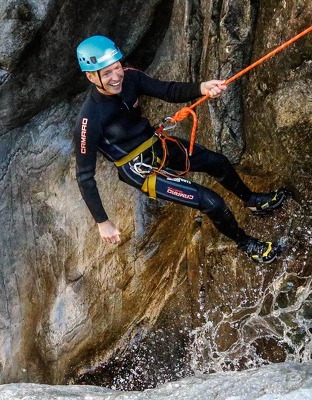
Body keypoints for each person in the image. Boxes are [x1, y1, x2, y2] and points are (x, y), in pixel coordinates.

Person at [73, 35, 287, 263]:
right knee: (212, 202)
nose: (116, 77)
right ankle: (248, 245)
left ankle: (252, 200)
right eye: (106, 73)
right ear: (91, 77)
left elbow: (167, 90)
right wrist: (102, 222)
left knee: (217, 162)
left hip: (156, 146)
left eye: (117, 67)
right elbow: (85, 176)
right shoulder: (88, 121)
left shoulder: (131, 78)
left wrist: (202, 88)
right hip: (139, 169)